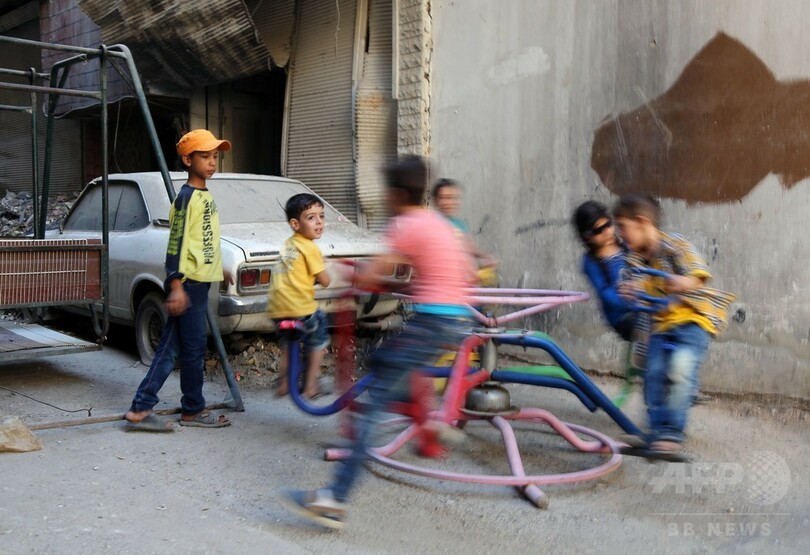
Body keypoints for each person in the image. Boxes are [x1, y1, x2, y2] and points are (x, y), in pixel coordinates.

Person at [281, 156, 474, 529]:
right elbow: (453, 274)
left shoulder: (406, 224)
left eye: (386, 191)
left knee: (377, 392)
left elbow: (372, 276)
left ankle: (334, 499)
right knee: (390, 363)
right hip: (456, 321)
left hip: (433, 323)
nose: (384, 198)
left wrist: (352, 274)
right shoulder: (436, 222)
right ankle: (429, 423)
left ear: (398, 194)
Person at [124, 129, 233, 432]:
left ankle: (151, 407)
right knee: (187, 350)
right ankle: (179, 409)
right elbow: (176, 244)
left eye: (215, 156)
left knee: (177, 348)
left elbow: (203, 240)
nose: (212, 162)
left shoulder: (204, 196)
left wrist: (218, 267)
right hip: (188, 285)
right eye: (205, 156)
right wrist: (175, 284)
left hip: (198, 283)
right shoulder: (186, 198)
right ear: (187, 160)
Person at [613, 193, 735, 458]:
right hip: (660, 323)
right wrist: (629, 292)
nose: (620, 235)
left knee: (680, 370)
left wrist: (683, 282)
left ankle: (671, 433)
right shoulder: (634, 260)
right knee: (653, 374)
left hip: (692, 319)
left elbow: (698, 275)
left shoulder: (674, 244)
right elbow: (637, 292)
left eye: (623, 227)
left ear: (642, 222)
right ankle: (655, 433)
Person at [267, 193, 331, 400]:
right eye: (311, 217)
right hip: (301, 310)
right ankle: (311, 385)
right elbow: (325, 281)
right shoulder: (310, 248)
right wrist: (324, 269)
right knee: (318, 338)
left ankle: (285, 383)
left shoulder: (288, 245)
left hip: (277, 309)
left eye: (321, 216)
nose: (319, 222)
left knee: (288, 344)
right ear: (295, 224)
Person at [572, 200, 636, 341]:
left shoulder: (626, 246)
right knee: (652, 329)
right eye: (598, 230)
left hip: (643, 307)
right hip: (623, 317)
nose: (607, 232)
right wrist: (634, 301)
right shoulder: (591, 263)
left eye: (608, 225)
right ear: (586, 236)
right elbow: (606, 294)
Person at [431, 178, 497, 283]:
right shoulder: (432, 224)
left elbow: (469, 247)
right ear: (435, 200)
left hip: (460, 282)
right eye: (444, 198)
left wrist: (486, 257)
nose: (449, 202)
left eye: (453, 198)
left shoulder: (459, 224)